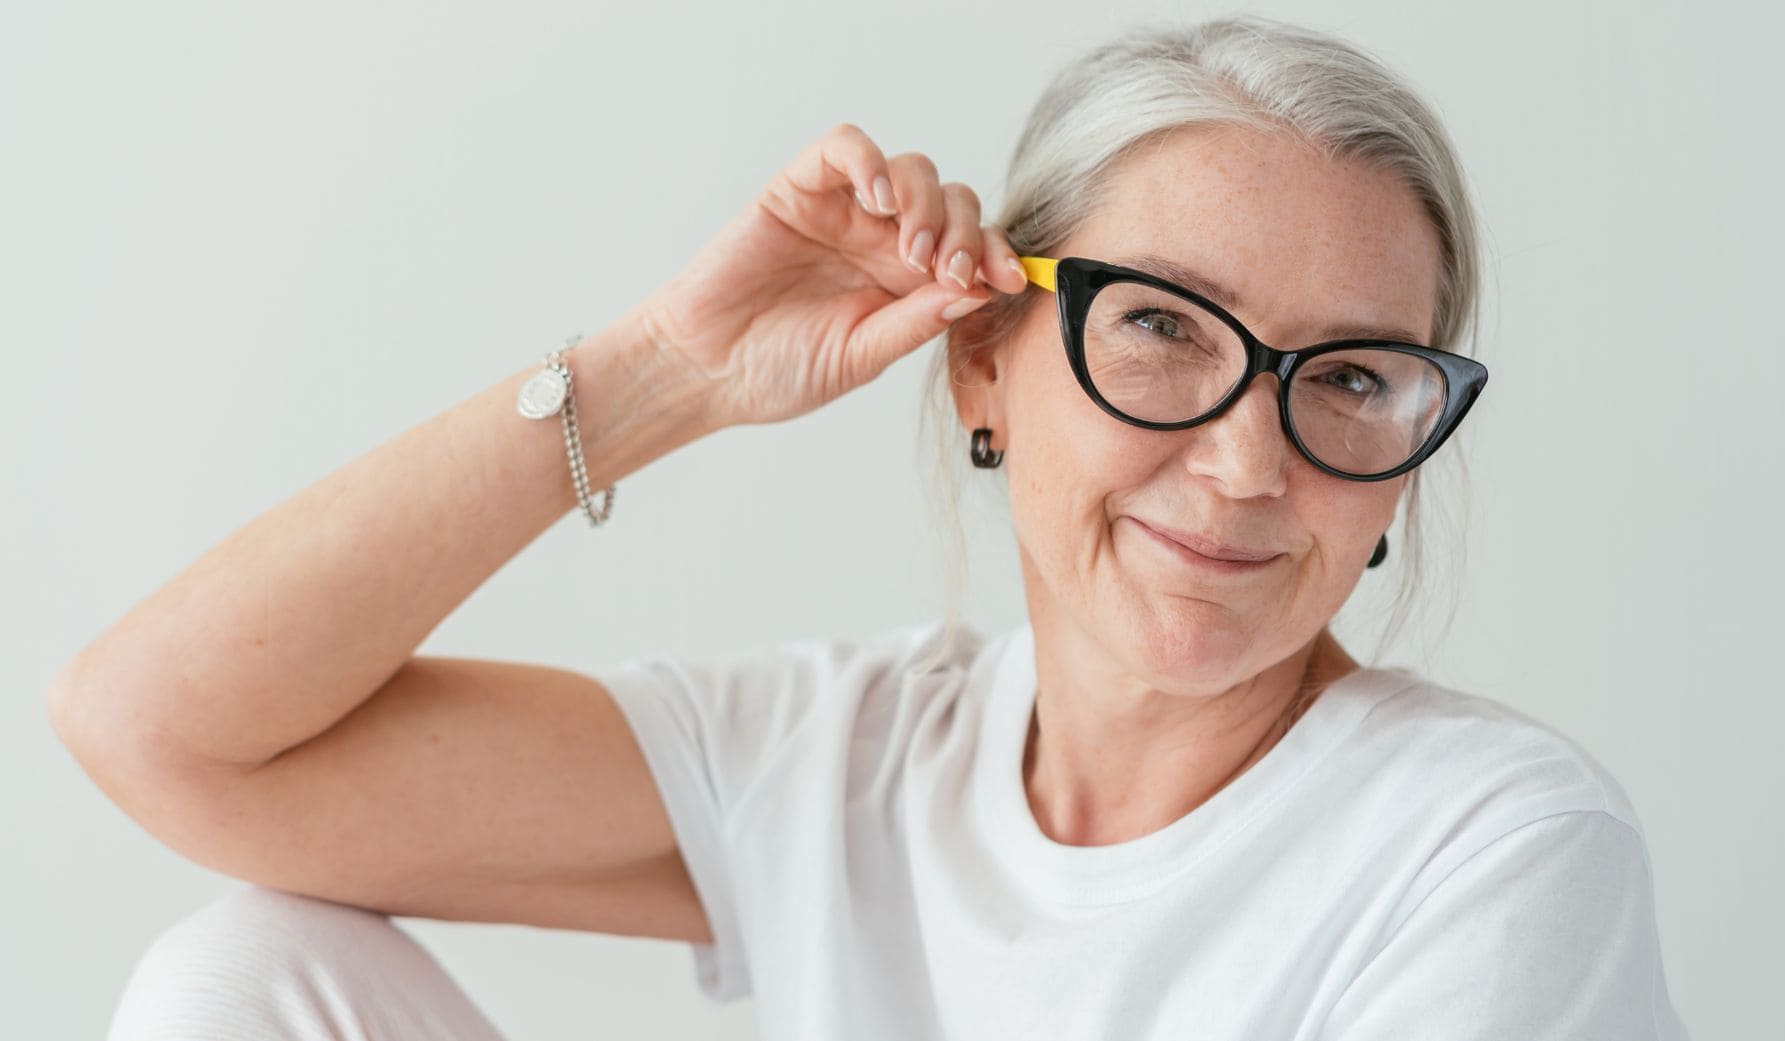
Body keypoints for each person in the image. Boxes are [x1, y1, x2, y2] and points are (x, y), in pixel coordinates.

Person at [50, 14, 1690, 1041]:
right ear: (986, 361)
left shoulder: (1494, 849)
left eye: (1348, 378)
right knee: (246, 976)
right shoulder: (853, 759)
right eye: (1162, 330)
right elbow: (171, 735)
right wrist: (658, 379)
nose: (1252, 462)